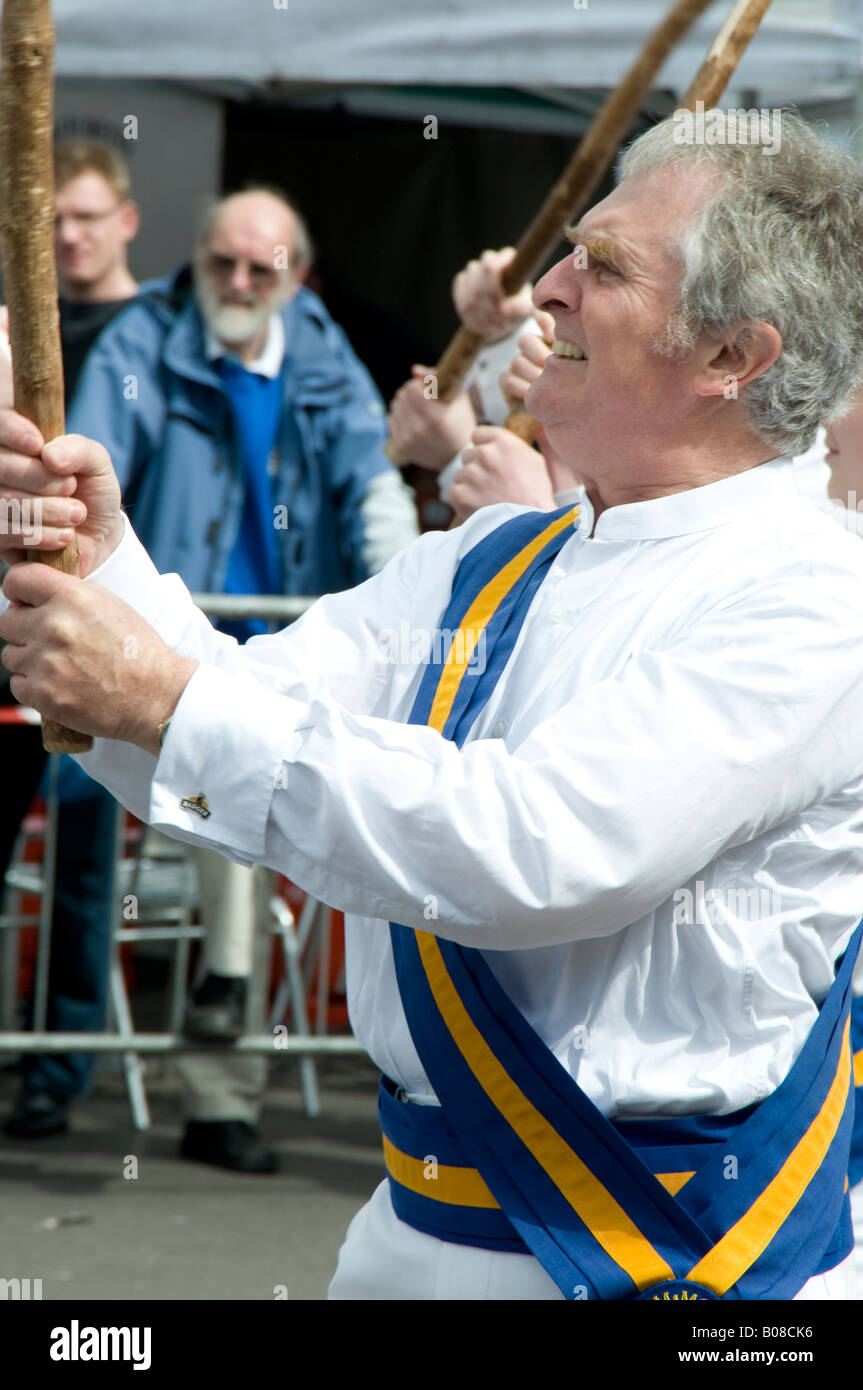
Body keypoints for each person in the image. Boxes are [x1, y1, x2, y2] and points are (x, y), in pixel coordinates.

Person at [2, 111, 863, 1300]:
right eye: (569, 249)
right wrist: (103, 566)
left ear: (734, 354)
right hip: (407, 1246)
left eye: (600, 266)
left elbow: (539, 850)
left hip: (672, 1273)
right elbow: (227, 716)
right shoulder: (491, 558)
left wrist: (159, 695)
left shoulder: (818, 601)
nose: (542, 289)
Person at [63, 187, 419, 1172]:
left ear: (294, 276)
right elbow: (92, 467)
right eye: (221, 263)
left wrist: (405, 587)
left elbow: (369, 473)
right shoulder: (147, 338)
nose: (237, 284)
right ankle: (164, 1084)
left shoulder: (315, 345)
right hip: (162, 633)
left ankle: (230, 1078)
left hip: (286, 642)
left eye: (261, 269)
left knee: (246, 783)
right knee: (204, 779)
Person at [0, 141, 140, 1142]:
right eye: (55, 219)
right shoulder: (10, 325)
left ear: (126, 220)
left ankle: (57, 1069)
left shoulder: (155, 332)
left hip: (108, 616)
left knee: (88, 865)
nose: (71, 235)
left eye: (89, 216)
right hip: (12, 625)